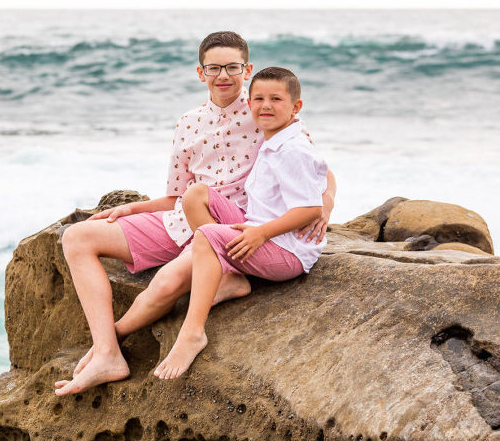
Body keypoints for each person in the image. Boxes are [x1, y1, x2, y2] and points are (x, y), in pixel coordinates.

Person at [54, 32, 336, 397]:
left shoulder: (265, 113)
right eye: (214, 68)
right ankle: (107, 353)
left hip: (237, 224)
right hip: (187, 214)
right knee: (77, 237)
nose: (223, 76)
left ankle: (223, 275)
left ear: (246, 70)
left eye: (232, 67)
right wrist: (131, 208)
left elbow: (320, 171)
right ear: (201, 73)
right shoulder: (189, 121)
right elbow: (177, 194)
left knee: (164, 286)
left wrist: (323, 208)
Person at [153, 67, 327, 379]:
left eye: (276, 99)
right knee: (196, 195)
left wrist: (261, 233)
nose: (266, 105)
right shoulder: (274, 140)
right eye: (258, 98)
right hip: (260, 229)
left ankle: (192, 332)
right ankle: (230, 277)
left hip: (287, 252)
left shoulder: (292, 149)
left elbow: (310, 209)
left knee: (206, 235)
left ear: (296, 107)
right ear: (248, 103)